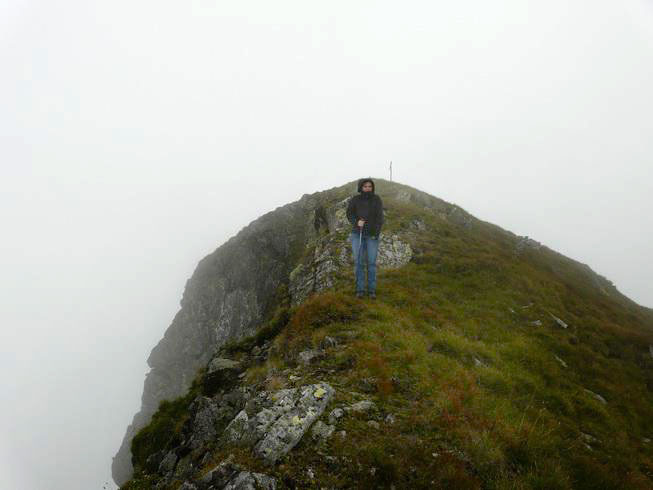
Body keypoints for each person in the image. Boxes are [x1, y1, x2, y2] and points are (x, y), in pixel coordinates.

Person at [346, 177, 384, 299]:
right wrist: (357, 222)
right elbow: (349, 214)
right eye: (365, 186)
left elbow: (380, 217)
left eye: (370, 186)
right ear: (361, 187)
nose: (368, 188)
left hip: (372, 235)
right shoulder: (355, 200)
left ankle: (372, 291)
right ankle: (360, 290)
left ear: (372, 187)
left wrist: (376, 233)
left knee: (371, 263)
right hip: (358, 234)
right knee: (359, 263)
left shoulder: (376, 199)